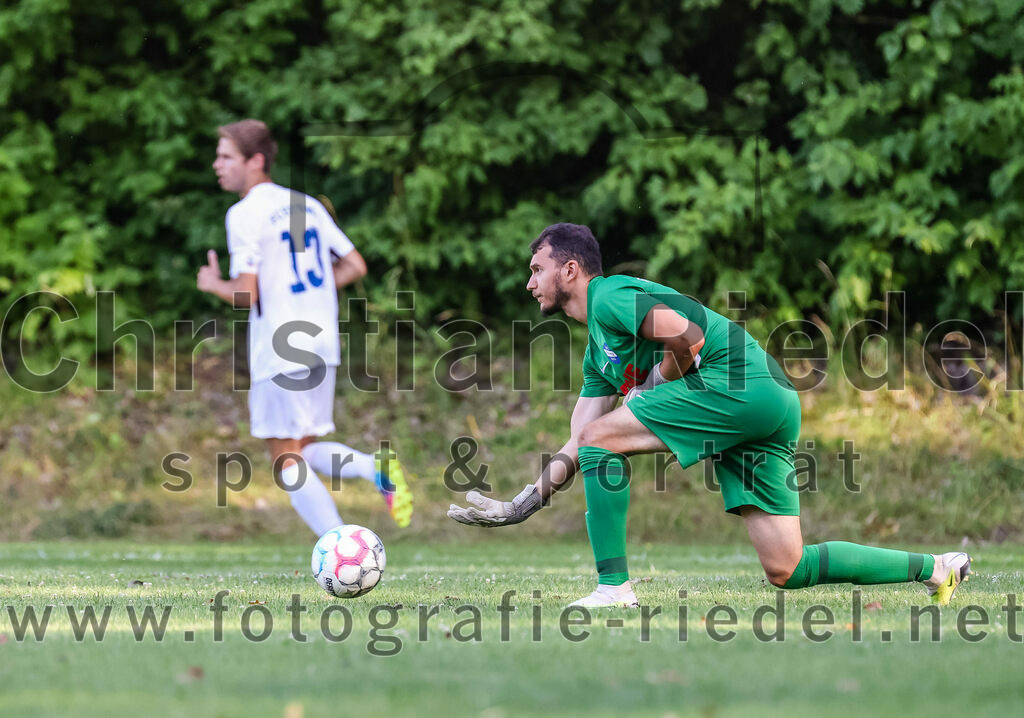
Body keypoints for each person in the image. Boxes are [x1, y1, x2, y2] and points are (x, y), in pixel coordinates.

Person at [448, 223, 970, 607]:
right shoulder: (598, 353)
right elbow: (579, 440)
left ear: (570, 269)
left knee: (603, 437)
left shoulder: (608, 295)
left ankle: (613, 587)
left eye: (536, 269)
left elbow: (687, 338)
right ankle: (935, 568)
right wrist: (524, 503)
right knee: (787, 567)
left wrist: (653, 386)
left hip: (738, 386)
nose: (529, 281)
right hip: (769, 401)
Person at [197, 119, 412, 534]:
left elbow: (246, 295)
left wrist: (212, 284)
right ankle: (375, 469)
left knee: (285, 461)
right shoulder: (306, 204)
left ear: (255, 161)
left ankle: (339, 543)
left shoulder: (243, 214)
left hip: (281, 344)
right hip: (321, 343)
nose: (216, 165)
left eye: (226, 157)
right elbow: (354, 265)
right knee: (304, 448)